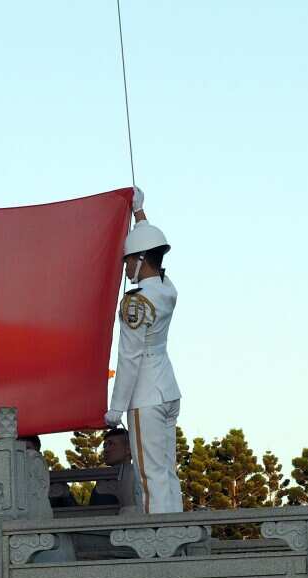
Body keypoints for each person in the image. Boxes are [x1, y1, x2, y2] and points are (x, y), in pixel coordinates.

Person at [104, 188, 183, 514]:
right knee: (167, 471)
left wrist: (115, 409)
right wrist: (140, 214)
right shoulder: (166, 289)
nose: (124, 268)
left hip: (145, 395)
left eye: (127, 260)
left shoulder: (136, 303)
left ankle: (161, 539)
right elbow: (152, 250)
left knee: (150, 477)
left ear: (139, 260)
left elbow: (129, 358)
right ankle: (177, 530)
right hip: (167, 389)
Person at [90, 428, 144, 513]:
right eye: (105, 445)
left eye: (111, 444)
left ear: (129, 449)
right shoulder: (102, 480)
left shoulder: (137, 476)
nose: (106, 450)